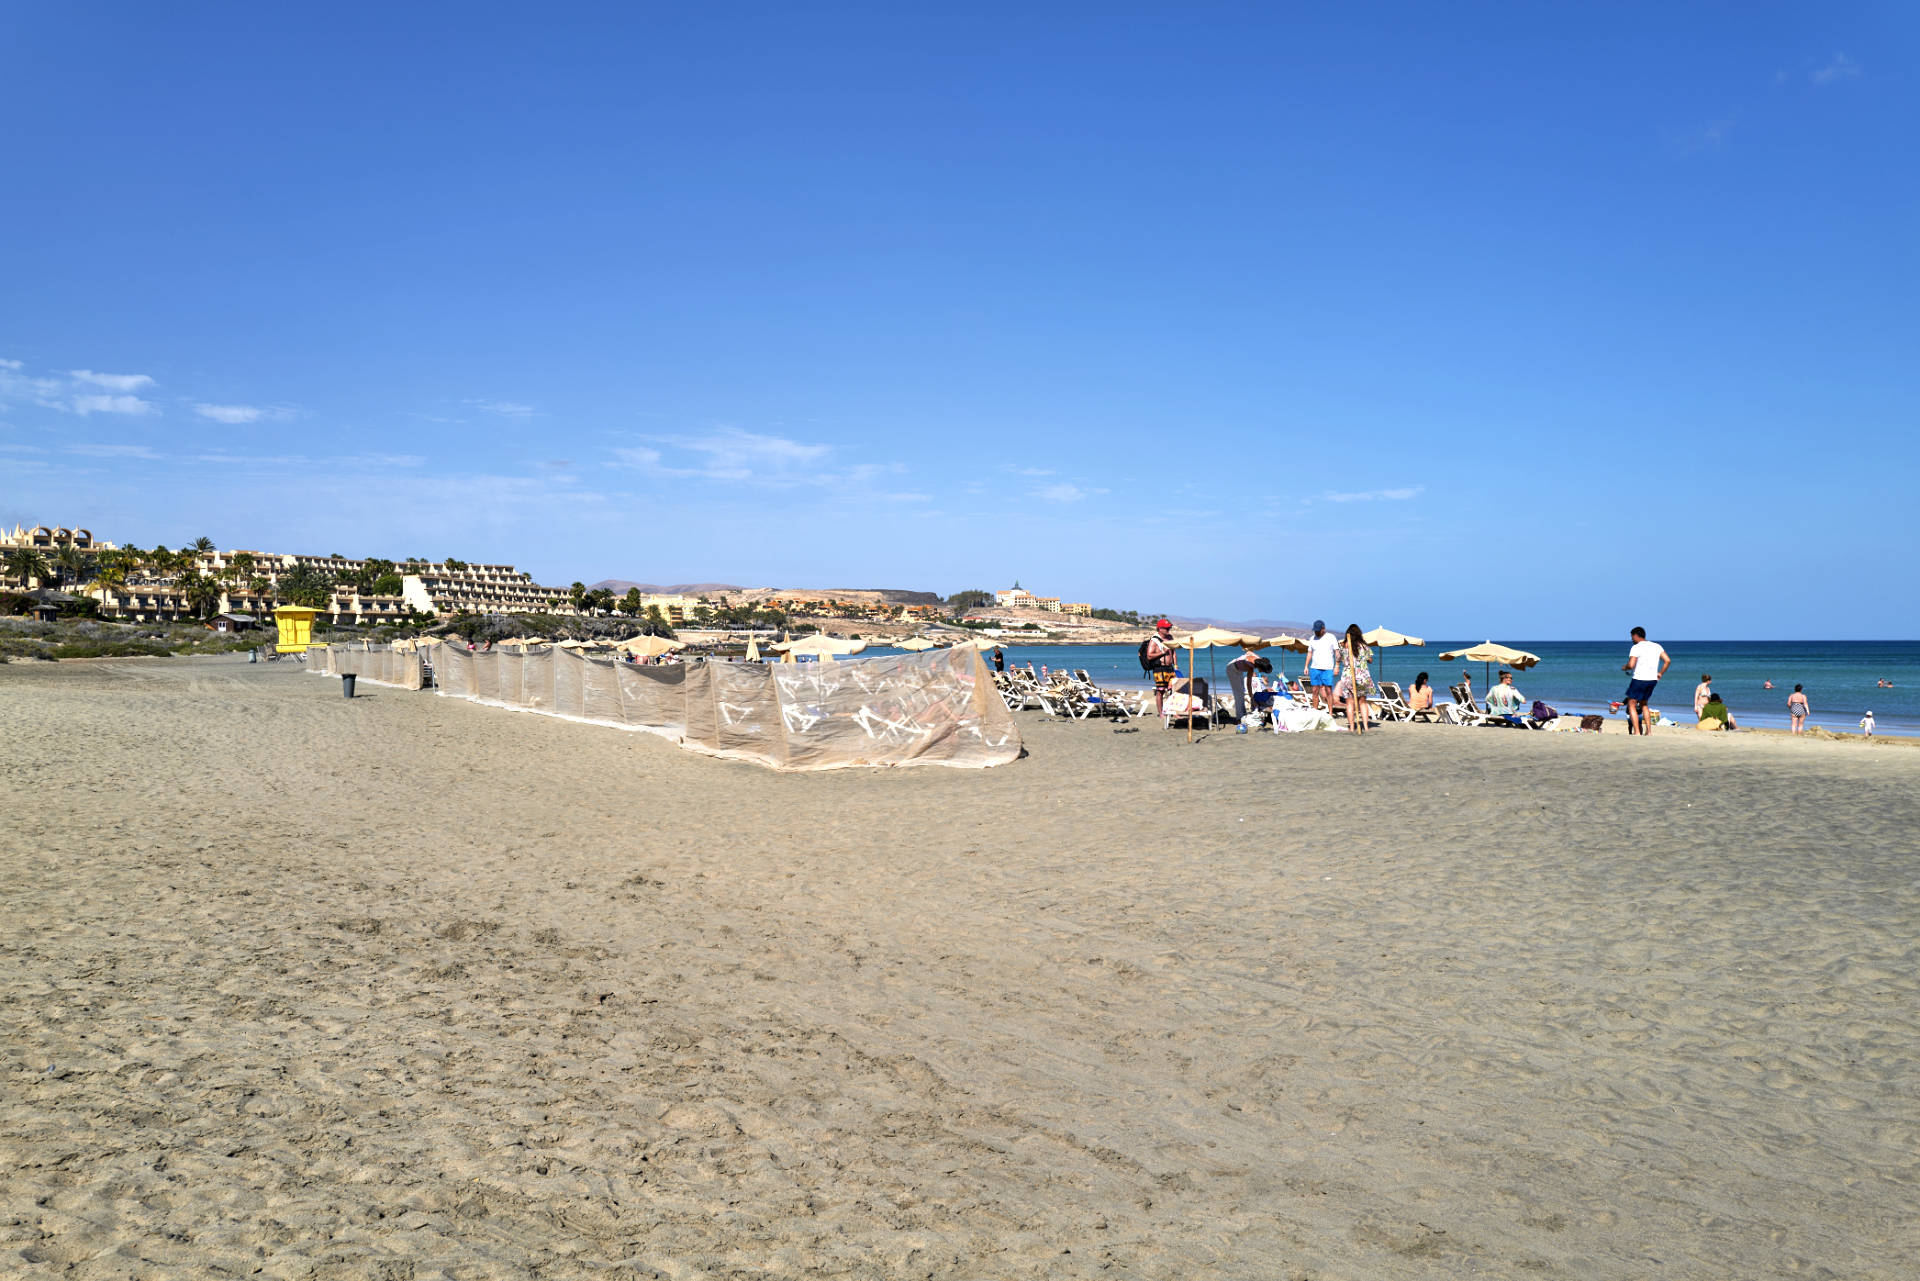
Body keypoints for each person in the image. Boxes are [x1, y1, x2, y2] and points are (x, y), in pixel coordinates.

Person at [1620, 626, 1670, 736]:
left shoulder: (1636, 647)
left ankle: (1637, 732)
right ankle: (1649, 731)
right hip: (1652, 679)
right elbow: (1667, 660)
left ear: (1636, 636)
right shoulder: (1657, 646)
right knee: (1644, 704)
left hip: (1639, 679)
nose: (1632, 639)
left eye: (1632, 637)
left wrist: (1625, 667)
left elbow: (1631, 665)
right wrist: (1660, 673)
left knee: (1631, 704)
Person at [1336, 624, 1374, 733]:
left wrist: (1338, 666)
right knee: (1362, 702)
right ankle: (1366, 726)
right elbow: (1370, 660)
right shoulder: (1364, 646)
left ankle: (1352, 727)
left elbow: (1338, 659)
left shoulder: (1343, 645)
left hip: (1348, 675)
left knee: (1349, 703)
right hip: (1362, 676)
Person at [1144, 619, 1180, 716]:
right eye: (1167, 628)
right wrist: (1162, 652)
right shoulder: (1154, 640)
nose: (1168, 629)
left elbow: (1173, 653)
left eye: (1169, 627)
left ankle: (1174, 711)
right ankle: (1161, 713)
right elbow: (1149, 655)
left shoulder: (1170, 638)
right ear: (1160, 628)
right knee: (1160, 691)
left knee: (1174, 689)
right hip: (1160, 669)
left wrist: (1176, 666)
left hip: (1170, 668)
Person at [1303, 620, 1339, 714]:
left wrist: (1337, 666)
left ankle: (1330, 712)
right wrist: (1306, 666)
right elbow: (1310, 653)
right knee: (1314, 690)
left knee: (1328, 690)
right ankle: (1315, 712)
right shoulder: (1312, 639)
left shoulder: (1331, 637)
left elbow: (1337, 652)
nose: (1316, 632)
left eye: (1318, 630)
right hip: (1314, 668)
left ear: (1323, 628)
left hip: (1327, 668)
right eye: (1315, 630)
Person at [1226, 647, 1270, 721]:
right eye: (1262, 670)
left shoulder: (1257, 658)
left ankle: (1242, 714)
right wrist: (1251, 697)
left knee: (1241, 693)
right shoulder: (1251, 666)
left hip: (1238, 668)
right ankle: (1240, 717)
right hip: (1232, 669)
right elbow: (1248, 684)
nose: (1260, 671)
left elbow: (1248, 652)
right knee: (1239, 695)